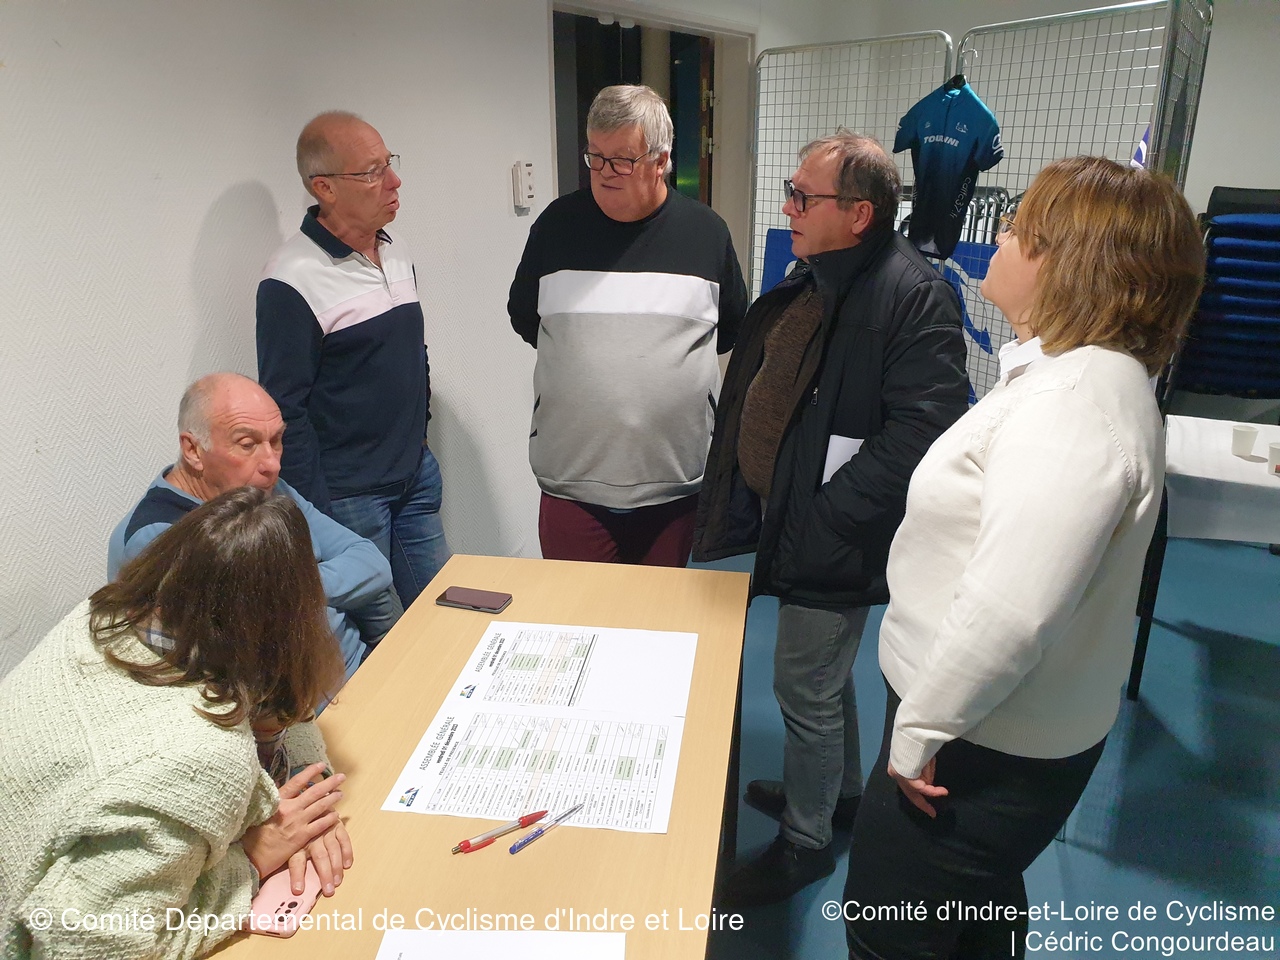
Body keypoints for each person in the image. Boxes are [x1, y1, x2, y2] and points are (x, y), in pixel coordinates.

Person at [841, 156, 1205, 959]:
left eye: (1018, 229)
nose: (1000, 238)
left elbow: (1009, 612)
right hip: (991, 728)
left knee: (892, 936)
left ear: (1069, 262)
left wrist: (920, 729)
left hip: (972, 745)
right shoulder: (1087, 381)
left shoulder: (1068, 407)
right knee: (971, 921)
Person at [693, 130, 969, 907]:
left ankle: (806, 843)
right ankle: (838, 794)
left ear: (858, 213)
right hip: (801, 518)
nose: (789, 207)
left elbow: (923, 434)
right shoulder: (825, 275)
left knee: (802, 684)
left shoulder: (912, 293)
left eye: (802, 196)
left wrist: (824, 515)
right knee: (823, 676)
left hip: (836, 532)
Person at [1, 488, 352, 960]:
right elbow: (82, 947)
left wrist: (308, 794)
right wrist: (249, 862)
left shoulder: (103, 616)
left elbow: (285, 698)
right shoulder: (202, 753)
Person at [508, 84, 748, 566]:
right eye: (595, 156)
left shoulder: (706, 233)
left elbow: (730, 329)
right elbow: (524, 317)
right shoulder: (556, 226)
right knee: (578, 613)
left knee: (664, 613)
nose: (603, 172)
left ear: (661, 161)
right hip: (573, 482)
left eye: (621, 160)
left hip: (677, 485)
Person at [257, 110, 448, 609]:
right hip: (351, 498)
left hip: (415, 477)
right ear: (324, 187)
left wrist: (420, 436)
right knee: (377, 634)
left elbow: (413, 353)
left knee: (443, 614)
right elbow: (284, 407)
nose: (394, 181)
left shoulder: (396, 249)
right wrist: (317, 511)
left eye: (389, 163)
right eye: (372, 172)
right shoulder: (290, 280)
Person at [108, 372, 396, 679]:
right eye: (247, 444)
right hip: (302, 698)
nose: (273, 464)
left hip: (359, 665)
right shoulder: (156, 537)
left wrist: (294, 587)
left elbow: (372, 563)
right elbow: (249, 649)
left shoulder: (265, 489)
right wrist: (326, 585)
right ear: (193, 450)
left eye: (277, 440)